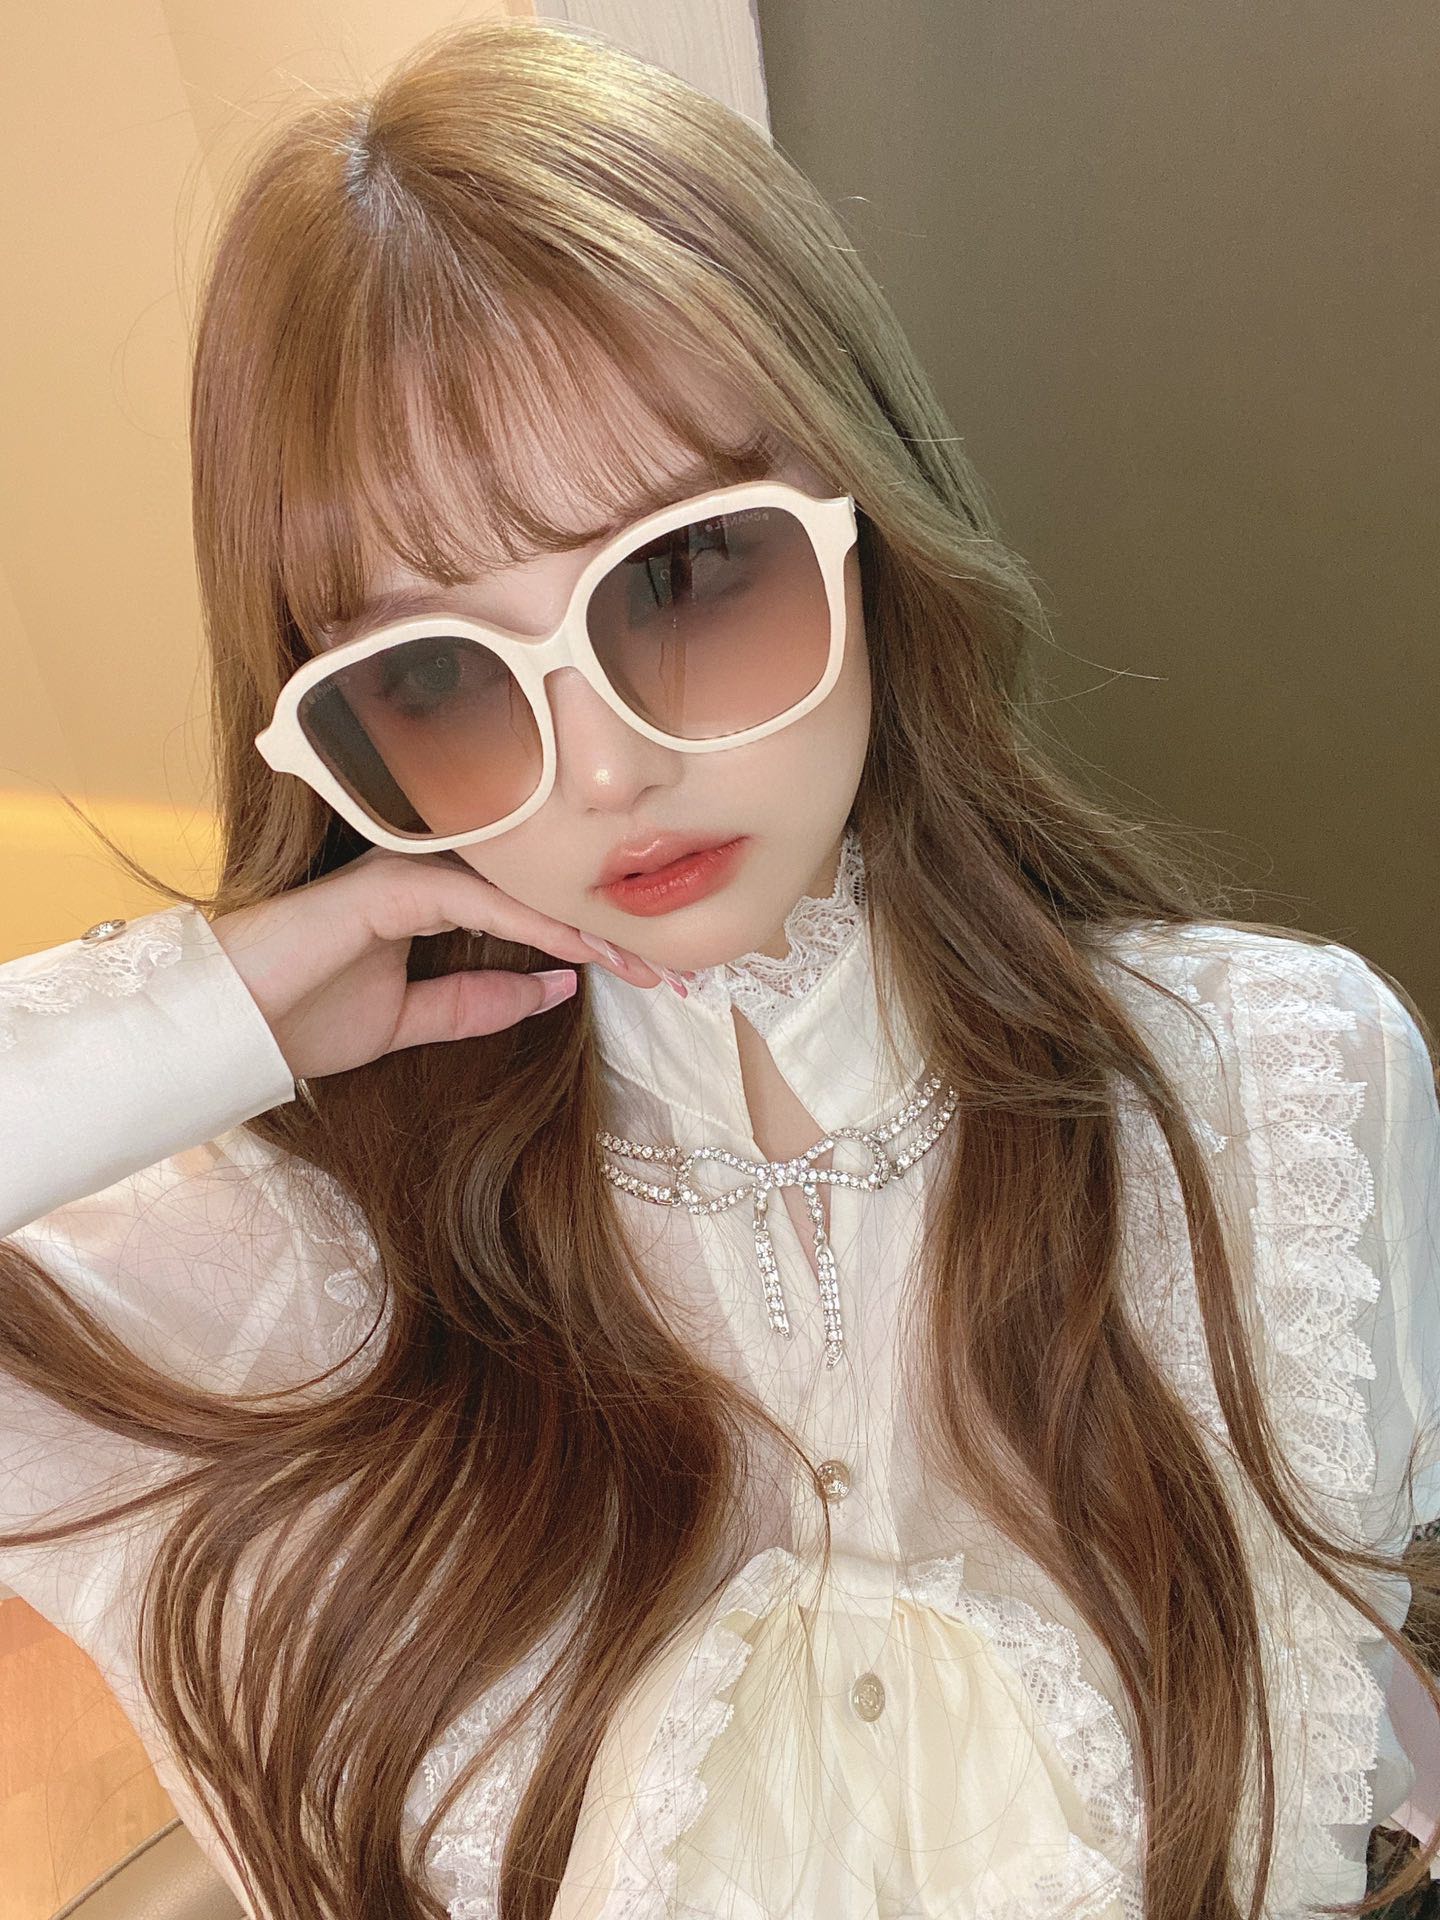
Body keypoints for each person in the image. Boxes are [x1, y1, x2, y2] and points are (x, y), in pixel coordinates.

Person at [2, 17, 1438, 1920]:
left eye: (682, 575)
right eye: (429, 675)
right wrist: (213, 1010)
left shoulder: (1284, 1082)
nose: (603, 767)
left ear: (871, 525)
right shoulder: (275, 1264)